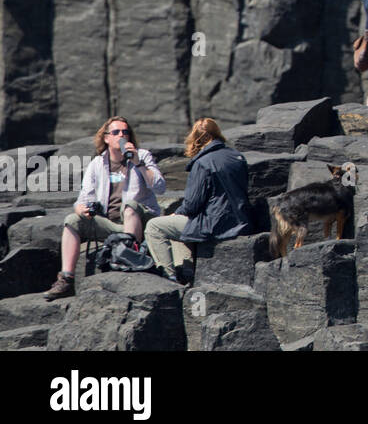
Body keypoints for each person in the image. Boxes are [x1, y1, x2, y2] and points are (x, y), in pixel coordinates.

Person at [44, 116, 166, 300]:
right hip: (110, 224)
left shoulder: (143, 156)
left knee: (130, 206)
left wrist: (138, 163)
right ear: (106, 138)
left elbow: (160, 187)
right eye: (116, 132)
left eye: (125, 132)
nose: (121, 135)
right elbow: (82, 198)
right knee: (71, 220)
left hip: (139, 221)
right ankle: (66, 280)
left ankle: (128, 260)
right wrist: (81, 210)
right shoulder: (97, 163)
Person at [143, 118, 253, 285]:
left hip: (216, 225)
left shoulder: (202, 163)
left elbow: (192, 204)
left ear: (196, 139)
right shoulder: (237, 156)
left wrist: (177, 212)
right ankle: (185, 272)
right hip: (241, 220)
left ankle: (168, 278)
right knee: (177, 226)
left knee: (155, 226)